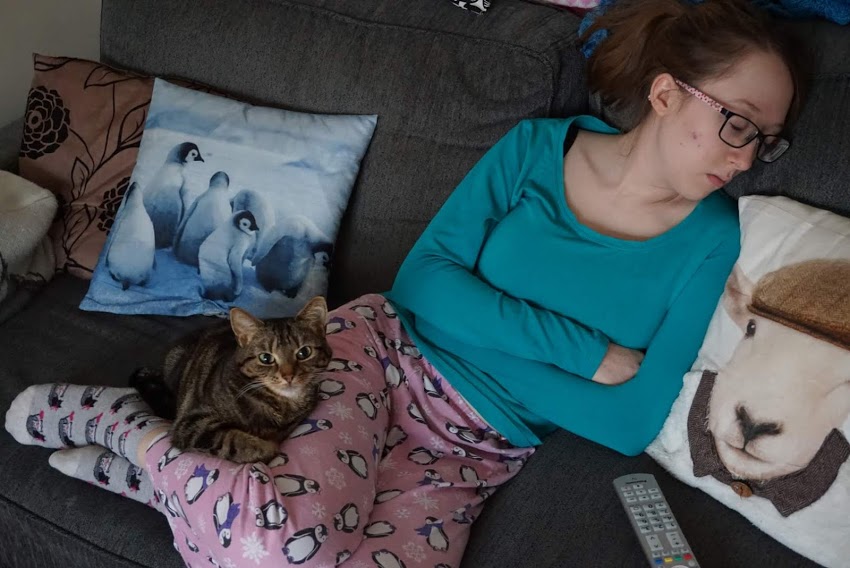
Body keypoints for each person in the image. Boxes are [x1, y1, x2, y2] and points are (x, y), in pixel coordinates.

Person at [4, 0, 807, 566]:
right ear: (666, 93)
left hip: (478, 450)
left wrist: (476, 322)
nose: (744, 158)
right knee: (274, 547)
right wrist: (584, 352)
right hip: (381, 360)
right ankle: (126, 429)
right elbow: (421, 287)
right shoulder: (535, 150)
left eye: (765, 140)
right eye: (736, 122)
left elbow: (630, 423)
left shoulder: (714, 239)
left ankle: (153, 479)